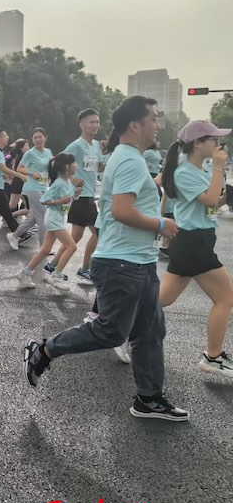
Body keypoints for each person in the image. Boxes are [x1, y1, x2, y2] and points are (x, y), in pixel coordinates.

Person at [23, 96, 188, 422]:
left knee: (150, 331)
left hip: (139, 261)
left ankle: (149, 398)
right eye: (153, 118)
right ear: (135, 125)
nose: (157, 125)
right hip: (122, 264)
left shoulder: (131, 157)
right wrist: (161, 224)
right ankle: (44, 350)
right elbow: (121, 210)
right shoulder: (128, 159)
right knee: (110, 331)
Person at [159, 120, 233, 377]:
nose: (219, 144)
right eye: (214, 139)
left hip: (197, 240)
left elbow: (212, 203)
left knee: (162, 300)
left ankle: (116, 325)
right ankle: (213, 356)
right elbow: (209, 199)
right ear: (198, 143)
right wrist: (220, 167)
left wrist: (227, 196)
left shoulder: (202, 168)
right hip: (193, 242)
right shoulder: (184, 172)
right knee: (225, 298)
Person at [45, 109, 103, 284]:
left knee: (75, 237)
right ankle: (85, 269)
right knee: (99, 233)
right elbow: (56, 162)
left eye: (97, 122)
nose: (95, 125)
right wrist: (71, 179)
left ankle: (52, 265)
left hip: (89, 196)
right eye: (91, 122)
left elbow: (98, 166)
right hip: (80, 197)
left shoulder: (96, 145)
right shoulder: (76, 145)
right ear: (82, 125)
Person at [17, 152, 79, 291]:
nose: (76, 165)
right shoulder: (58, 183)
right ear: (66, 166)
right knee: (72, 247)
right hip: (54, 219)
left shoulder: (68, 182)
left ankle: (25, 273)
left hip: (59, 218)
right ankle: (56, 276)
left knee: (45, 250)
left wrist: (76, 195)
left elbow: (68, 198)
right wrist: (59, 201)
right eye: (74, 163)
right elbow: (43, 200)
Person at [9, 129, 54, 249]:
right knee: (44, 215)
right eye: (35, 138)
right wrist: (32, 174)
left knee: (33, 218)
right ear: (32, 140)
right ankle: (43, 246)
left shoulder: (48, 152)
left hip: (44, 187)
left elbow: (51, 166)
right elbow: (19, 168)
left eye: (40, 137)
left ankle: (14, 235)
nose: (38, 140)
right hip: (32, 187)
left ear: (45, 137)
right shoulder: (29, 153)